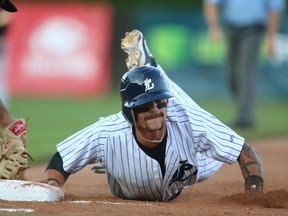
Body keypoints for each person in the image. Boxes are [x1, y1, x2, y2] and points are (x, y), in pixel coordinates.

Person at [38, 29, 264, 201]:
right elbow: (63, 158)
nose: (154, 109)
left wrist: (254, 193)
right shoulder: (108, 133)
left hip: (195, 159)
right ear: (129, 112)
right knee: (157, 95)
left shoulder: (187, 120)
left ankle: (150, 65)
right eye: (144, 106)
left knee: (182, 110)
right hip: (127, 172)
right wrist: (51, 184)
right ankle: (149, 68)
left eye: (159, 103)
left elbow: (243, 150)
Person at [204, 0, 285, 128]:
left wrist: (271, 38)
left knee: (246, 70)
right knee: (231, 73)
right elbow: (211, 3)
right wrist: (213, 26)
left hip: (254, 28)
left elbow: (274, 9)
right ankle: (243, 106)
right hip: (231, 27)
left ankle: (245, 116)